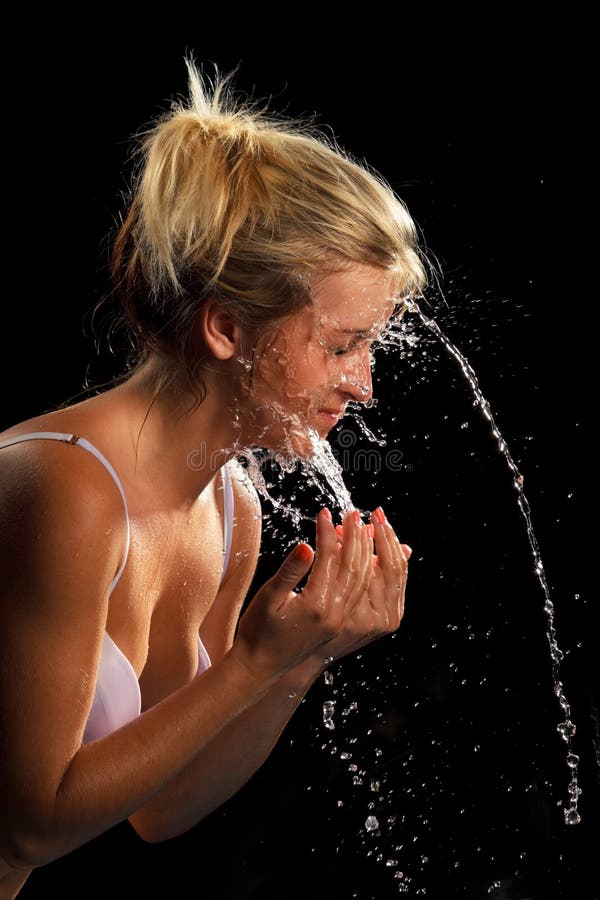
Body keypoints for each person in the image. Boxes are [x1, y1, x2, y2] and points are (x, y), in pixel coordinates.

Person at [0, 60, 426, 897]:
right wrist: (250, 664)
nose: (365, 382)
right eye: (341, 346)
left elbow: (159, 810)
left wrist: (296, 663)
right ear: (229, 327)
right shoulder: (61, 488)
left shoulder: (230, 509)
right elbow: (28, 825)